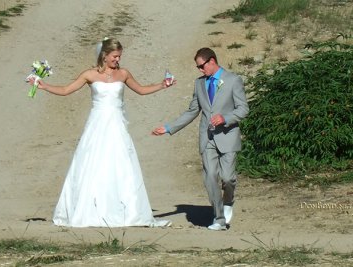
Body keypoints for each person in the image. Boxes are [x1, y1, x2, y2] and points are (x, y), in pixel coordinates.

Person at [30, 38, 174, 228]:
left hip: (116, 125)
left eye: (119, 56)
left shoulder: (123, 74)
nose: (117, 59)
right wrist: (43, 86)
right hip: (97, 125)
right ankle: (90, 210)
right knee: (93, 162)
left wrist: (162, 85)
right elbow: (66, 90)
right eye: (115, 56)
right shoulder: (89, 74)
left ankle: (125, 211)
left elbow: (141, 90)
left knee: (120, 164)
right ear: (104, 56)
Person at [152, 47, 249, 231]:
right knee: (210, 177)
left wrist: (225, 118)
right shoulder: (199, 84)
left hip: (228, 136)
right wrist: (168, 127)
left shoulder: (233, 80)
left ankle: (228, 202)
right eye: (198, 67)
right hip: (207, 138)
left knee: (228, 178)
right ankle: (219, 219)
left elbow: (243, 109)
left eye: (201, 66)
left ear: (212, 61)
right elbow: (192, 111)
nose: (200, 70)